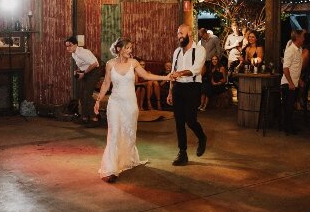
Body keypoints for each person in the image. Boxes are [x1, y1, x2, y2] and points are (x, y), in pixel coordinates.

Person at [94, 38, 173, 183]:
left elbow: (147, 76)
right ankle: (111, 169)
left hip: (130, 104)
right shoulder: (110, 64)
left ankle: (126, 159)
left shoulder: (134, 63)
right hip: (115, 103)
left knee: (129, 134)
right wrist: (98, 100)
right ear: (119, 49)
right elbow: (106, 83)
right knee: (114, 134)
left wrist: (166, 77)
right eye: (127, 48)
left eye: (131, 48)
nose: (130, 51)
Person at [167, 24, 207, 166]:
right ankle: (182, 153)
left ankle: (202, 138)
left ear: (189, 33)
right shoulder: (177, 51)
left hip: (192, 87)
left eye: (181, 33)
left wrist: (180, 73)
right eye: (178, 34)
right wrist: (170, 92)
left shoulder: (200, 50)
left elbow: (196, 69)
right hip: (178, 87)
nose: (179, 36)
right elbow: (173, 71)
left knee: (190, 120)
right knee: (179, 122)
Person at [64, 36, 100, 125]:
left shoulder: (82, 52)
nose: (68, 48)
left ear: (76, 44)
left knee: (87, 94)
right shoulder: (74, 53)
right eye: (67, 46)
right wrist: (79, 71)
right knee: (81, 94)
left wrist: (84, 73)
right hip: (87, 72)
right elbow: (83, 65)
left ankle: (94, 118)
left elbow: (94, 64)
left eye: (70, 45)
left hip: (94, 72)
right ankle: (84, 117)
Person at [281, 30, 305, 135]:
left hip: (294, 83)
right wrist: (290, 83)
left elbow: (295, 68)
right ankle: (287, 128)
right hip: (287, 83)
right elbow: (285, 68)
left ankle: (290, 126)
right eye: (303, 37)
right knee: (288, 107)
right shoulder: (290, 50)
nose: (304, 39)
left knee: (291, 107)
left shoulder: (299, 50)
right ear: (298, 37)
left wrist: (299, 80)